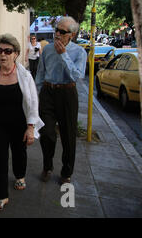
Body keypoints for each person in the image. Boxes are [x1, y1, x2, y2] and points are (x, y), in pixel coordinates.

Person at [0, 34, 43, 212]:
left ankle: (20, 175)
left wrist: (31, 127)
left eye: (7, 51)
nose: (3, 55)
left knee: (19, 153)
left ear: (16, 54)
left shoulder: (25, 76)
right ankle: (1, 195)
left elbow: (33, 102)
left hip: (20, 124)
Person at [35, 16, 87, 185]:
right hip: (48, 93)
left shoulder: (79, 52)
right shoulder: (48, 50)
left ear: (71, 35)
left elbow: (77, 76)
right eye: (56, 30)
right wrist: (37, 94)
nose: (57, 34)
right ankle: (47, 166)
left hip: (67, 94)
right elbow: (41, 73)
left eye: (62, 31)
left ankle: (66, 172)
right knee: (47, 133)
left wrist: (64, 55)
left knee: (68, 135)